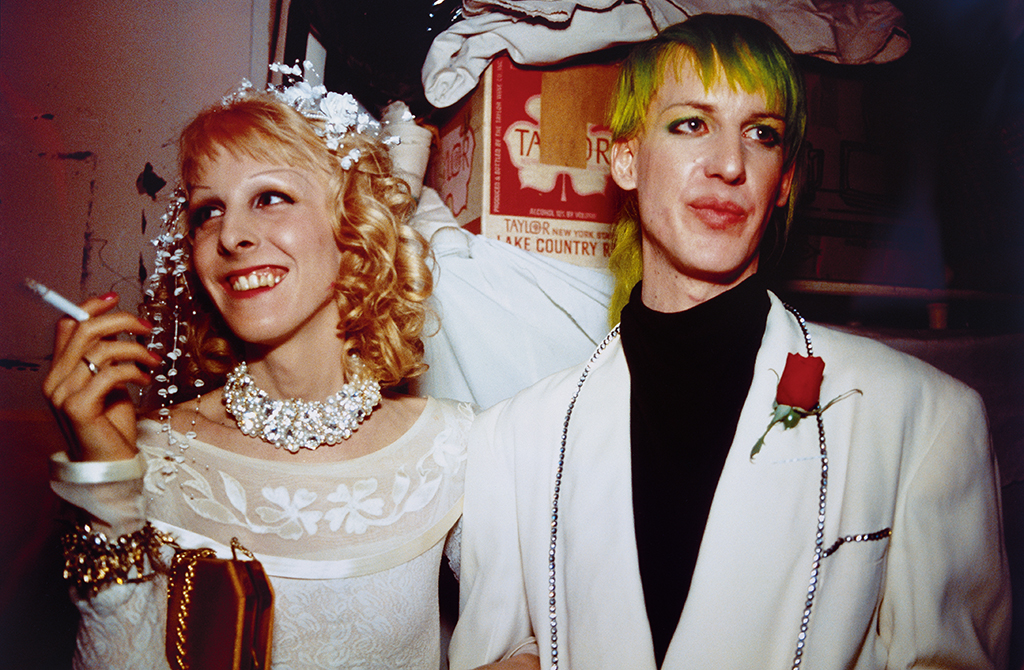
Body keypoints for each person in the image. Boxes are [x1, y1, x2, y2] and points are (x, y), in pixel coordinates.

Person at [449, 14, 1010, 670]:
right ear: (625, 158)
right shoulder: (513, 443)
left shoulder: (923, 419)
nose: (728, 165)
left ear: (785, 184)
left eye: (761, 134)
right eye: (691, 124)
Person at [43, 69, 472, 669]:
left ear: (352, 224)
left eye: (269, 198)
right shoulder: (148, 453)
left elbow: (539, 635)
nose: (232, 235)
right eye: (207, 212)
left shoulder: (453, 449)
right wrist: (107, 484)